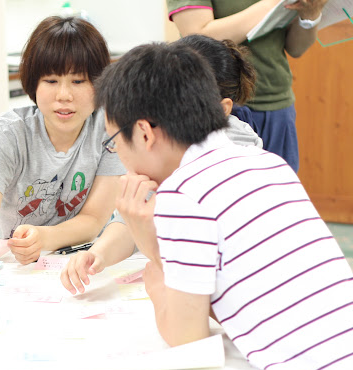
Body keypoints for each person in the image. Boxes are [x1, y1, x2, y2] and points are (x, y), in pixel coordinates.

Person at [95, 42, 353, 370]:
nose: (118, 156)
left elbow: (186, 337)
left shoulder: (183, 194)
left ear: (144, 132)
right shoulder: (267, 164)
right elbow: (224, 294)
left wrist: (152, 260)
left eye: (114, 142)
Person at [61, 35, 261, 294]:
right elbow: (134, 218)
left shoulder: (224, 161)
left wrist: (154, 254)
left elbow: (194, 295)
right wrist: (98, 253)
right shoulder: (164, 154)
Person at [0, 15, 125, 266]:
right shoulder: (5, 134)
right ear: (33, 84)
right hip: (6, 263)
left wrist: (44, 238)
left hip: (70, 261)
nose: (64, 95)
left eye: (78, 81)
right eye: (51, 81)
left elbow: (94, 219)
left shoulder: (110, 130)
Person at [166, 0, 330, 173]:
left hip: (279, 104)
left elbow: (296, 49)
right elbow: (197, 39)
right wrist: (273, 3)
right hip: (223, 107)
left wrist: (310, 15)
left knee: (279, 187)